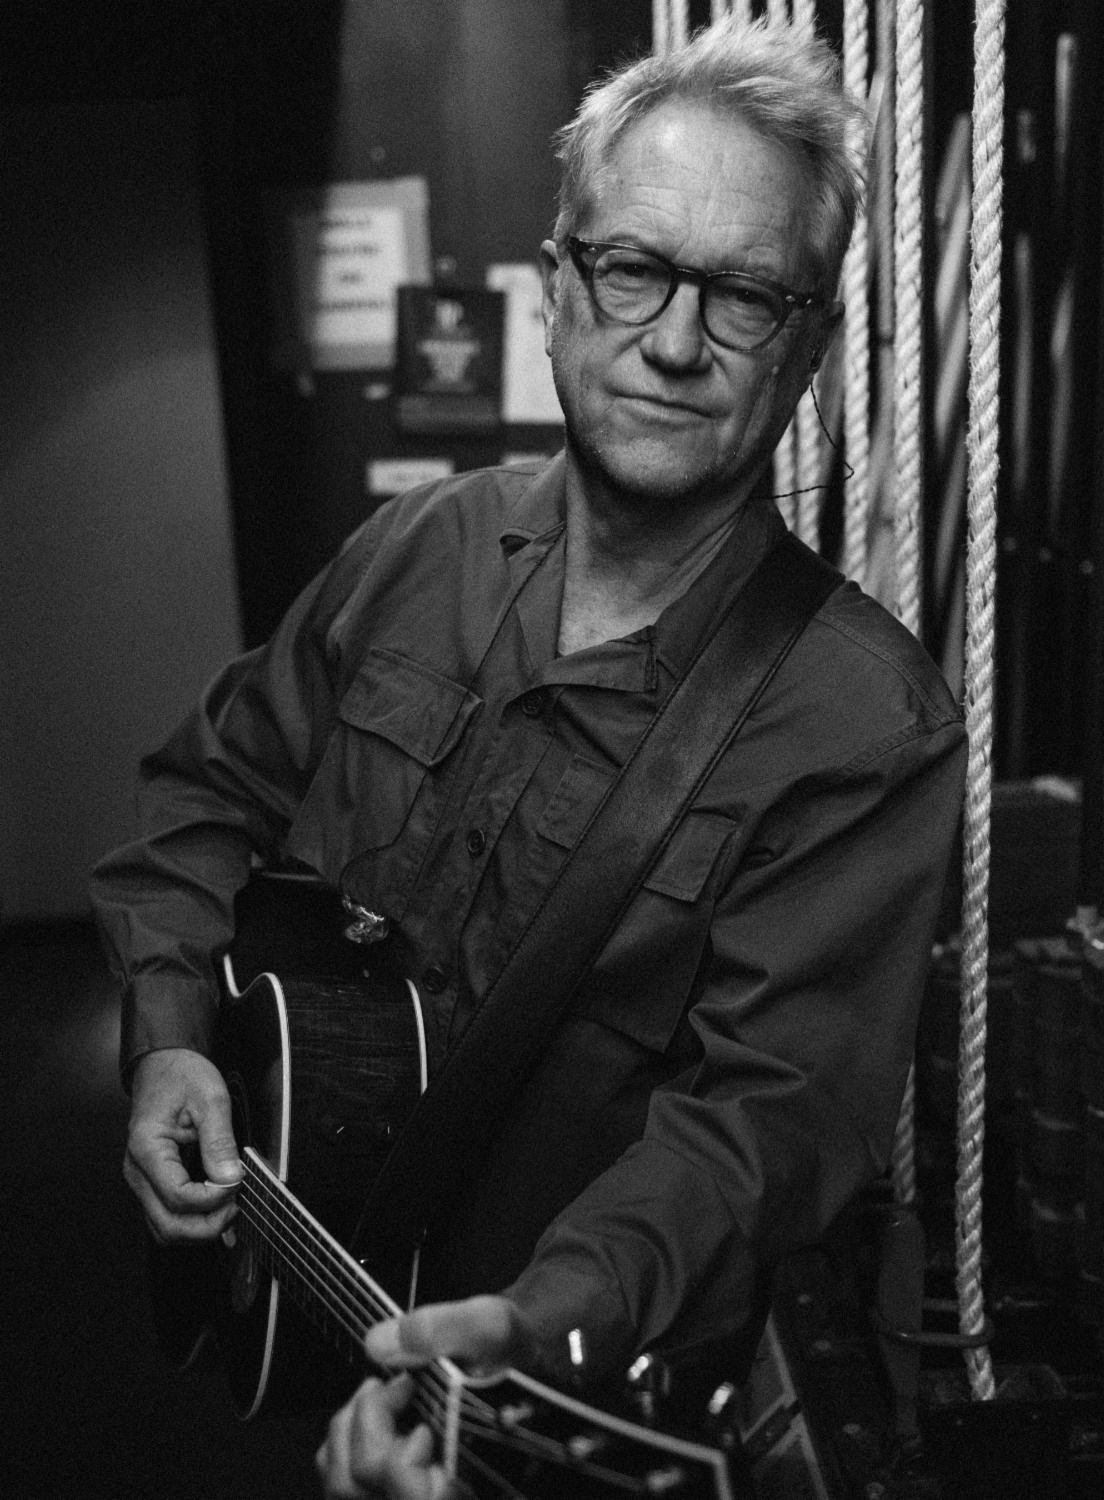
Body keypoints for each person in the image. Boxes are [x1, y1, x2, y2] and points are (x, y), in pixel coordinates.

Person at [92, 16, 966, 1499]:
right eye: (634, 268)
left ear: (808, 350)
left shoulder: (862, 723)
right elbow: (205, 795)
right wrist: (172, 1029)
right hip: (294, 1314)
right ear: (558, 286)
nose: (676, 342)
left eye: (745, 297)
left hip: (553, 1410)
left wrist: (535, 1323)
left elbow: (759, 1130)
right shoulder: (421, 547)